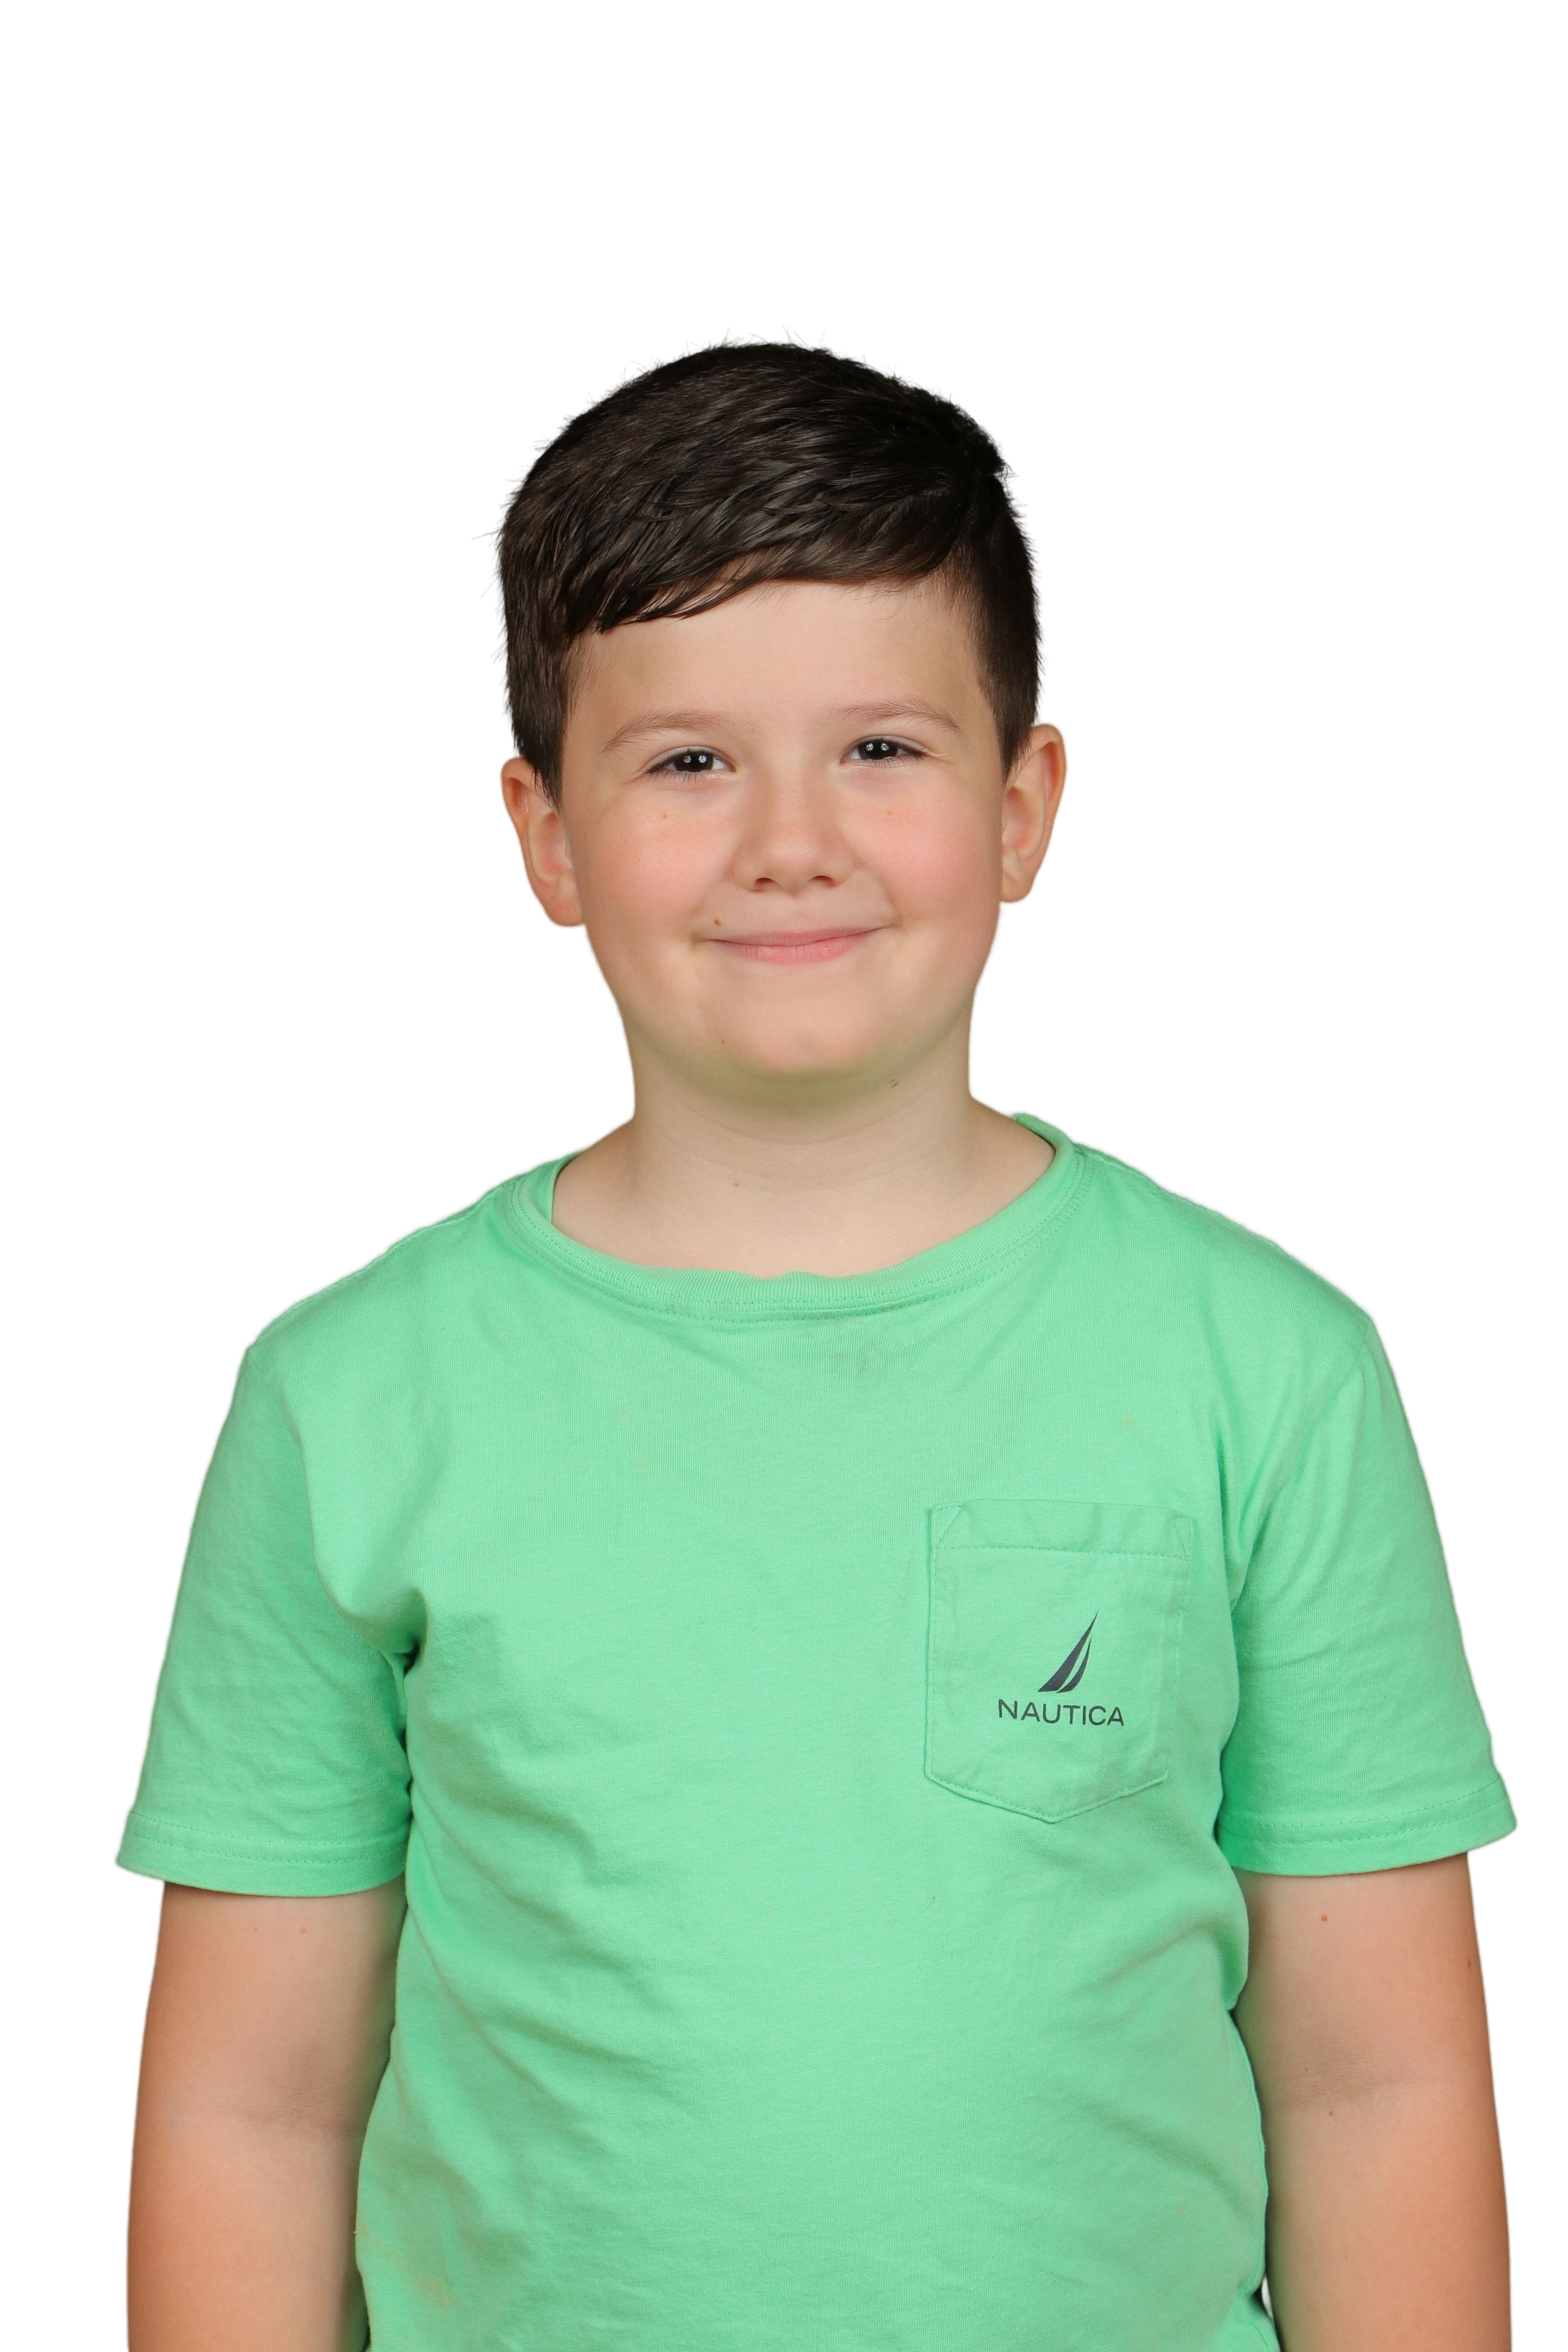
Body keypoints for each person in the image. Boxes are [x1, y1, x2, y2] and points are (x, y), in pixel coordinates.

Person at [115, 324, 1518, 2352]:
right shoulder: (350, 1400)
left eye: (882, 748)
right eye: (689, 760)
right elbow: (253, 2108)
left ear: (1026, 803)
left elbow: (1375, 2083)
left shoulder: (1268, 1369)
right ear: (547, 832)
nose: (792, 839)